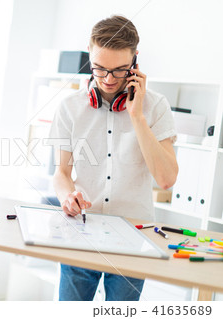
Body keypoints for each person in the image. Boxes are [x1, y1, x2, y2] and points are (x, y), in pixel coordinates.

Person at [49, 15, 178, 301]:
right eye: (99, 69)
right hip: (82, 233)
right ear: (90, 57)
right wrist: (67, 197)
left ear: (135, 63)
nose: (108, 80)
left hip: (135, 238)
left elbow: (167, 179)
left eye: (119, 71)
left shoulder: (156, 107)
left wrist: (137, 116)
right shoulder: (69, 107)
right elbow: (61, 173)